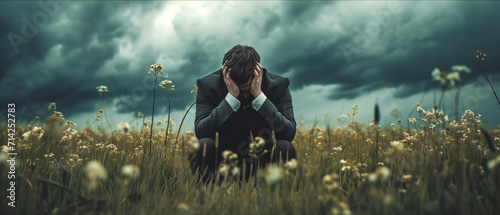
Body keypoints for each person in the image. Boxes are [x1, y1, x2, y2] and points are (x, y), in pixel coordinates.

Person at [189, 44, 297, 183]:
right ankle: (212, 200)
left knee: (284, 147)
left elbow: (288, 133)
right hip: (224, 165)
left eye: (246, 90)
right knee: (203, 145)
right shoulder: (207, 86)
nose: (245, 95)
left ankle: (279, 201)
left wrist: (258, 96)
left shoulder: (279, 85)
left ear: (257, 72)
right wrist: (232, 97)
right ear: (225, 74)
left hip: (263, 164)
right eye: (241, 91)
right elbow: (201, 131)